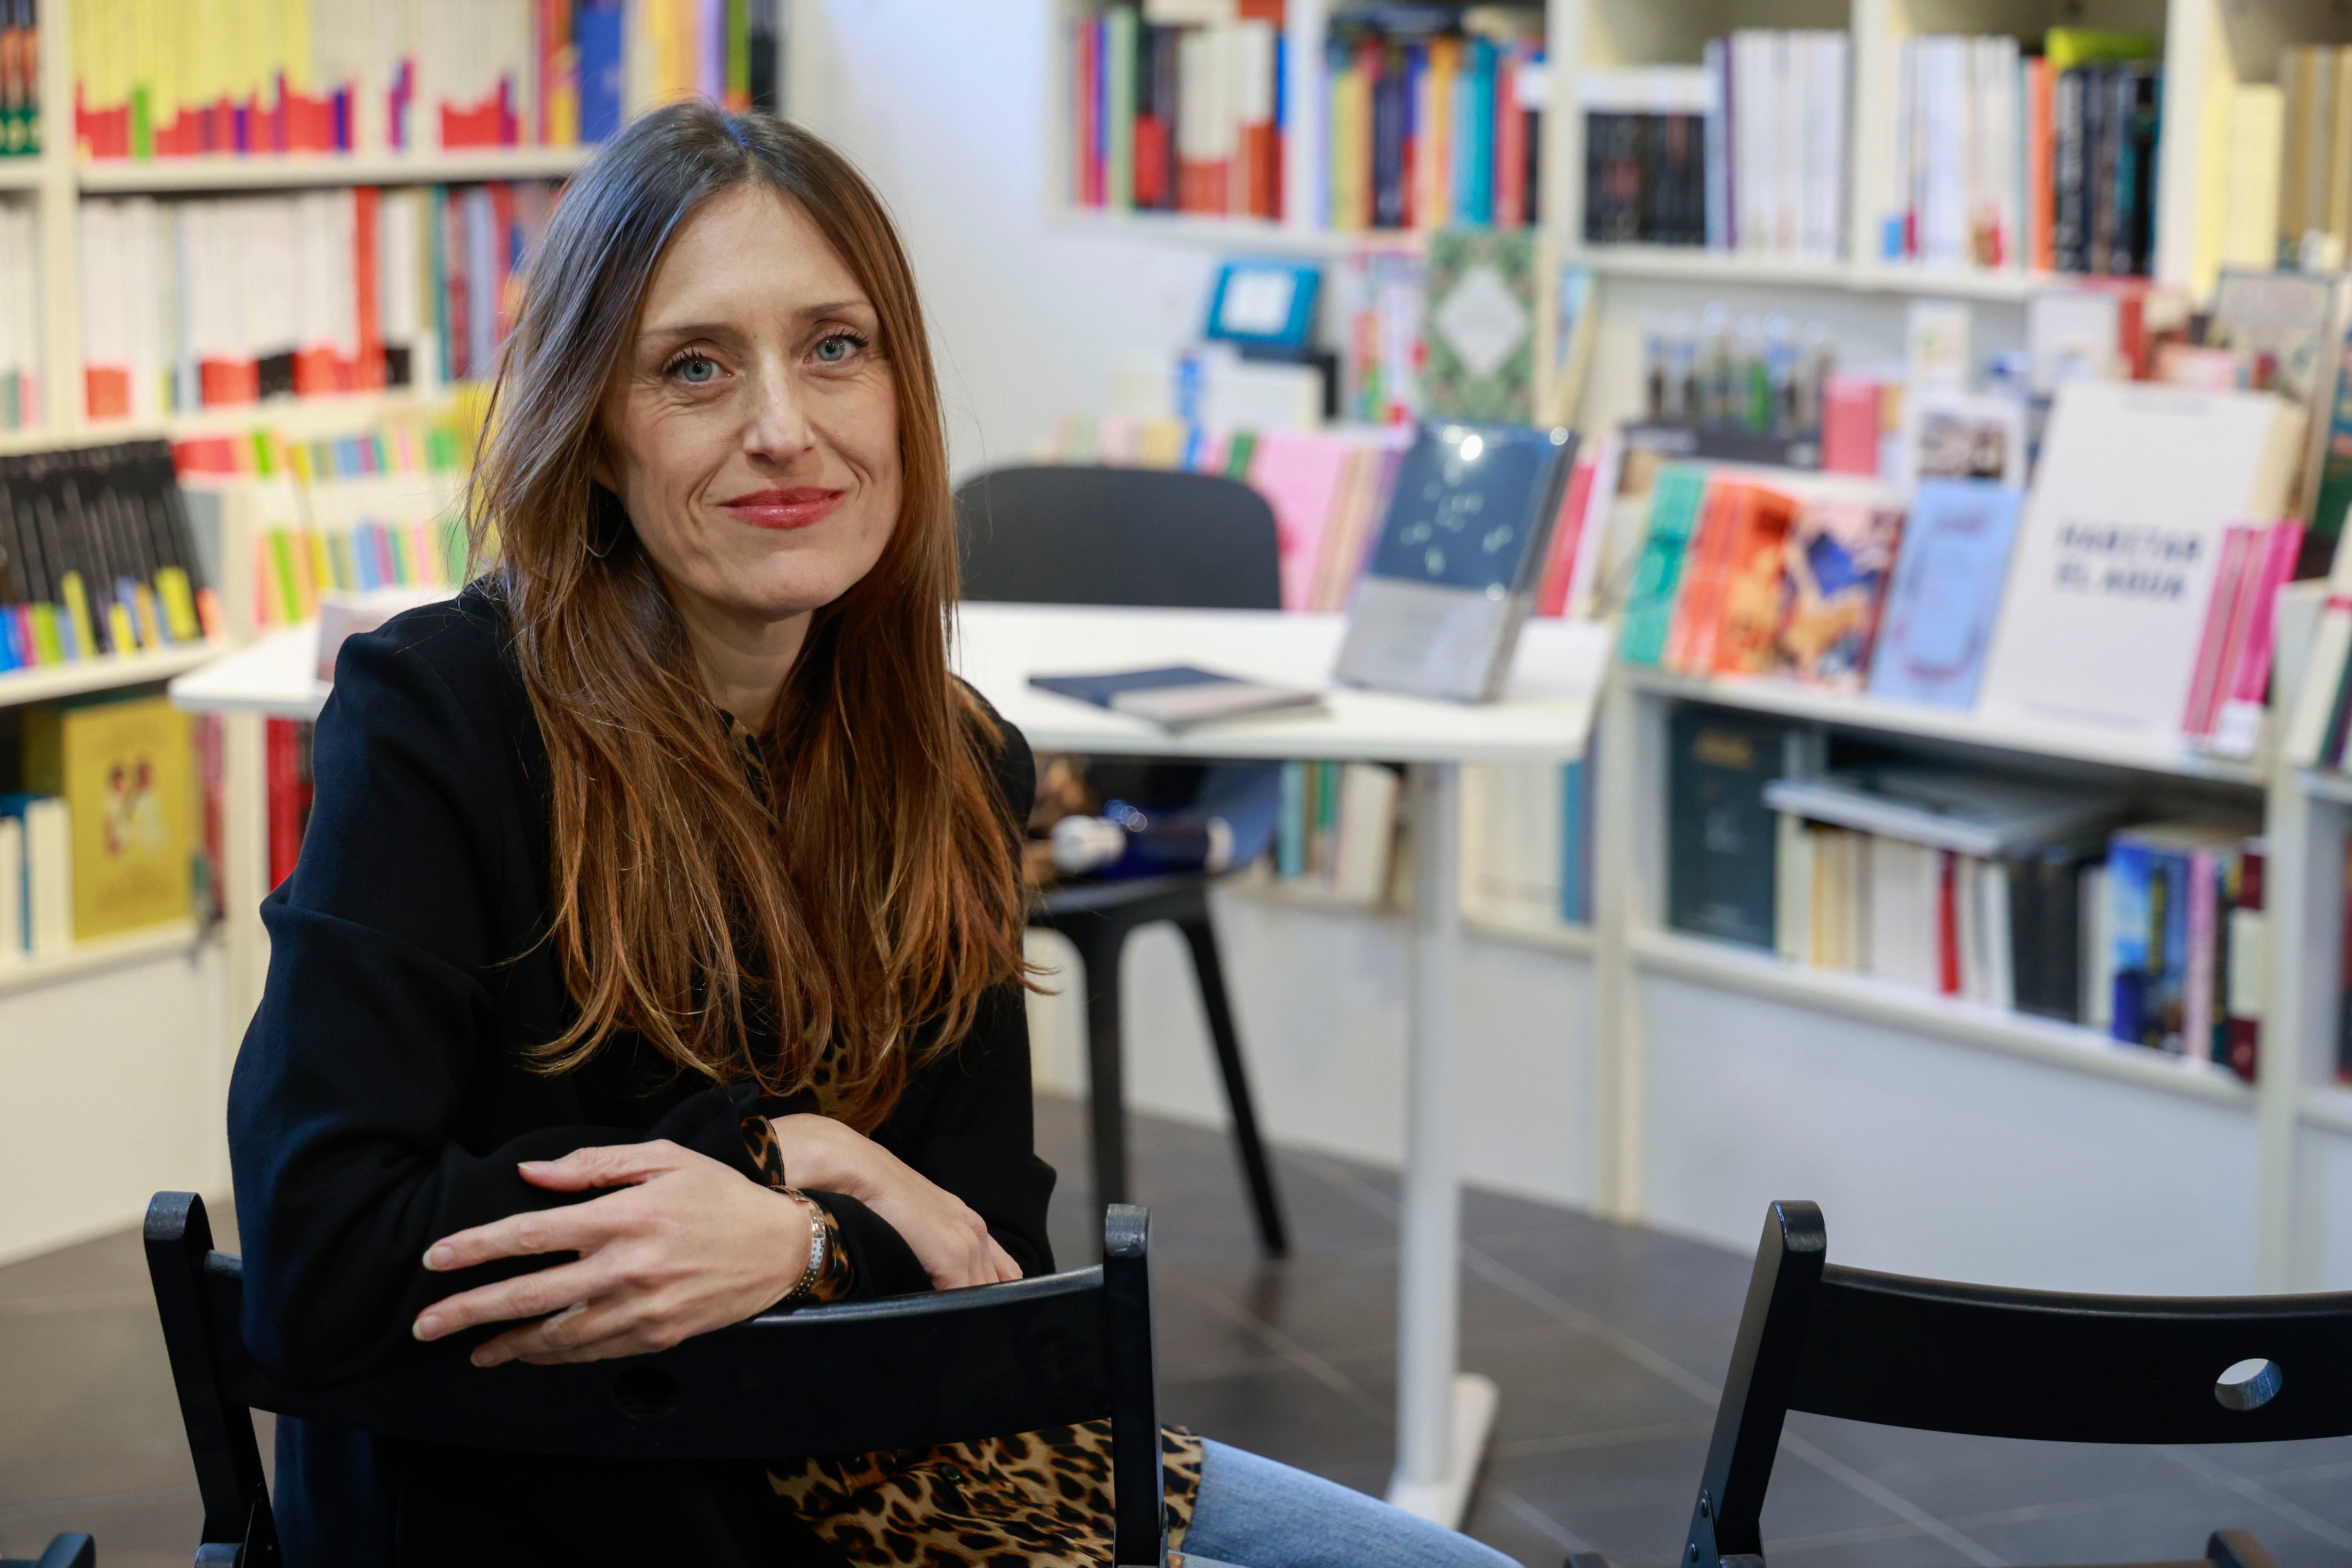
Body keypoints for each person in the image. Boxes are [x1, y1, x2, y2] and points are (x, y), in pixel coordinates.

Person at [226, 102, 1519, 1568]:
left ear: (901, 391)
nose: (786, 427)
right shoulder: (437, 717)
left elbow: (998, 1263)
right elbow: (321, 1253)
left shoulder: (957, 761)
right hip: (580, 1505)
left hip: (905, 1450)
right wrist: (801, 1154)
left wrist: (803, 1236)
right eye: (695, 368)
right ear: (592, 433)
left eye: (836, 348)